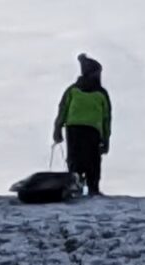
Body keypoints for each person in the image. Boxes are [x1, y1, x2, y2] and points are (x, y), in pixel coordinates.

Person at [53, 54, 112, 196]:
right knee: (81, 160)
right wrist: (57, 128)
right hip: (79, 129)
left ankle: (91, 188)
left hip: (87, 131)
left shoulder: (78, 90)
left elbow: (106, 119)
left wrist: (106, 139)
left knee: (86, 160)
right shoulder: (77, 91)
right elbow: (63, 109)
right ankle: (81, 188)